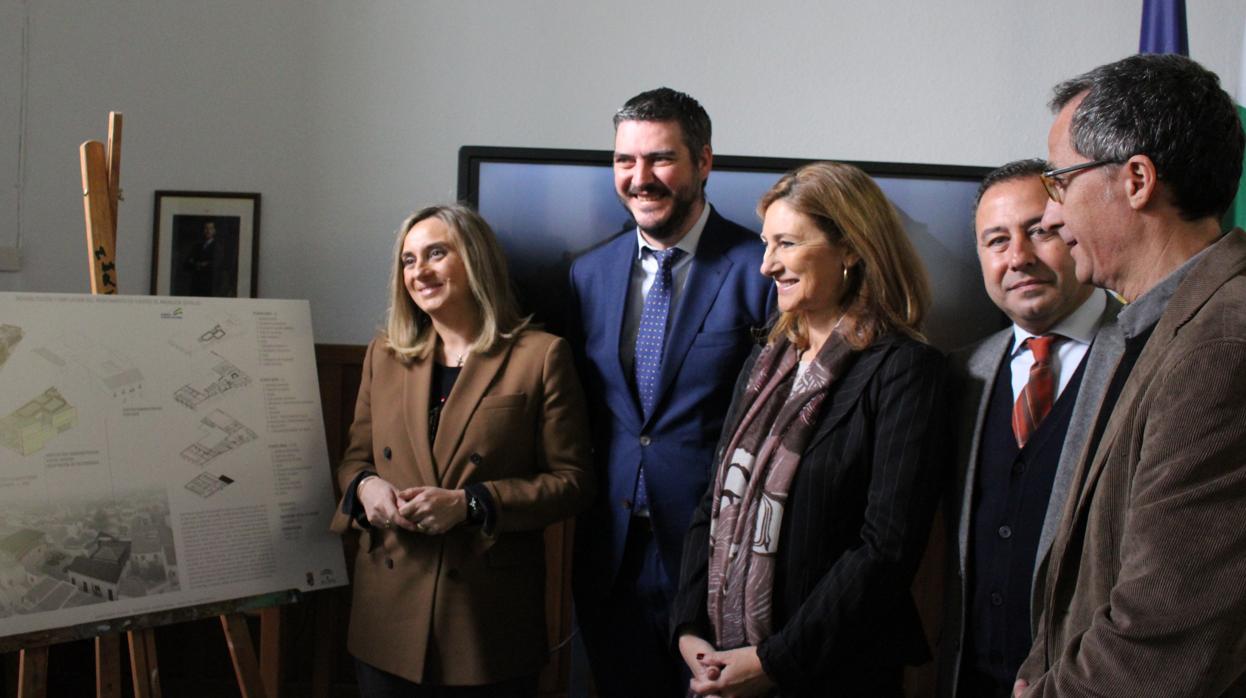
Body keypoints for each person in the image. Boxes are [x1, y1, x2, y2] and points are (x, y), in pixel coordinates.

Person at [1014, 54, 1246, 696]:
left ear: (1137, 179)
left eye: (1060, 182)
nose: (1051, 217)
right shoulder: (1134, 330)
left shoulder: (1224, 343)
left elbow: (1166, 635)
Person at [672, 161, 946, 697]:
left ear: (851, 249)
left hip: (832, 673)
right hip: (722, 661)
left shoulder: (906, 369)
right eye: (766, 244)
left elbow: (885, 549)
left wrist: (775, 661)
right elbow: (714, 501)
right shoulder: (765, 364)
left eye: (788, 244)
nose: (766, 266)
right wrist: (689, 630)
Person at [329, 204, 595, 697]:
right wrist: (366, 489)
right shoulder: (384, 355)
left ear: (475, 260)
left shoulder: (539, 356)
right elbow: (355, 459)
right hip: (386, 610)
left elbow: (572, 482)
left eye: (435, 254)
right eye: (408, 260)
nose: (419, 271)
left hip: (484, 619)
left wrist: (471, 504)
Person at [568, 87, 773, 697]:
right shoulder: (588, 273)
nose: (640, 178)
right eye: (624, 161)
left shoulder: (758, 269)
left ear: (703, 162)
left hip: (713, 557)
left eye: (659, 159)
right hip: (611, 556)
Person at [937, 159, 1122, 698]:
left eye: (1038, 231)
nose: (1017, 257)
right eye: (996, 241)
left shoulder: (1143, 353)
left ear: (1074, 230)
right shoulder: (959, 374)